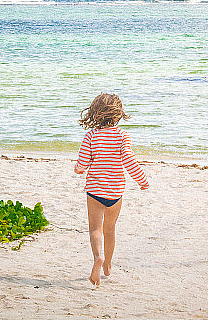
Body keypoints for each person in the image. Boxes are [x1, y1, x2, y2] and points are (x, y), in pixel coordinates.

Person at [74, 92, 149, 286]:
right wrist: (142, 180)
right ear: (118, 114)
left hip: (95, 190)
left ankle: (98, 257)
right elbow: (129, 161)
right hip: (115, 191)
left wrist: (79, 169)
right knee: (110, 229)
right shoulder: (122, 135)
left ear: (95, 113)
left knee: (95, 229)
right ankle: (107, 265)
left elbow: (83, 162)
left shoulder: (91, 135)